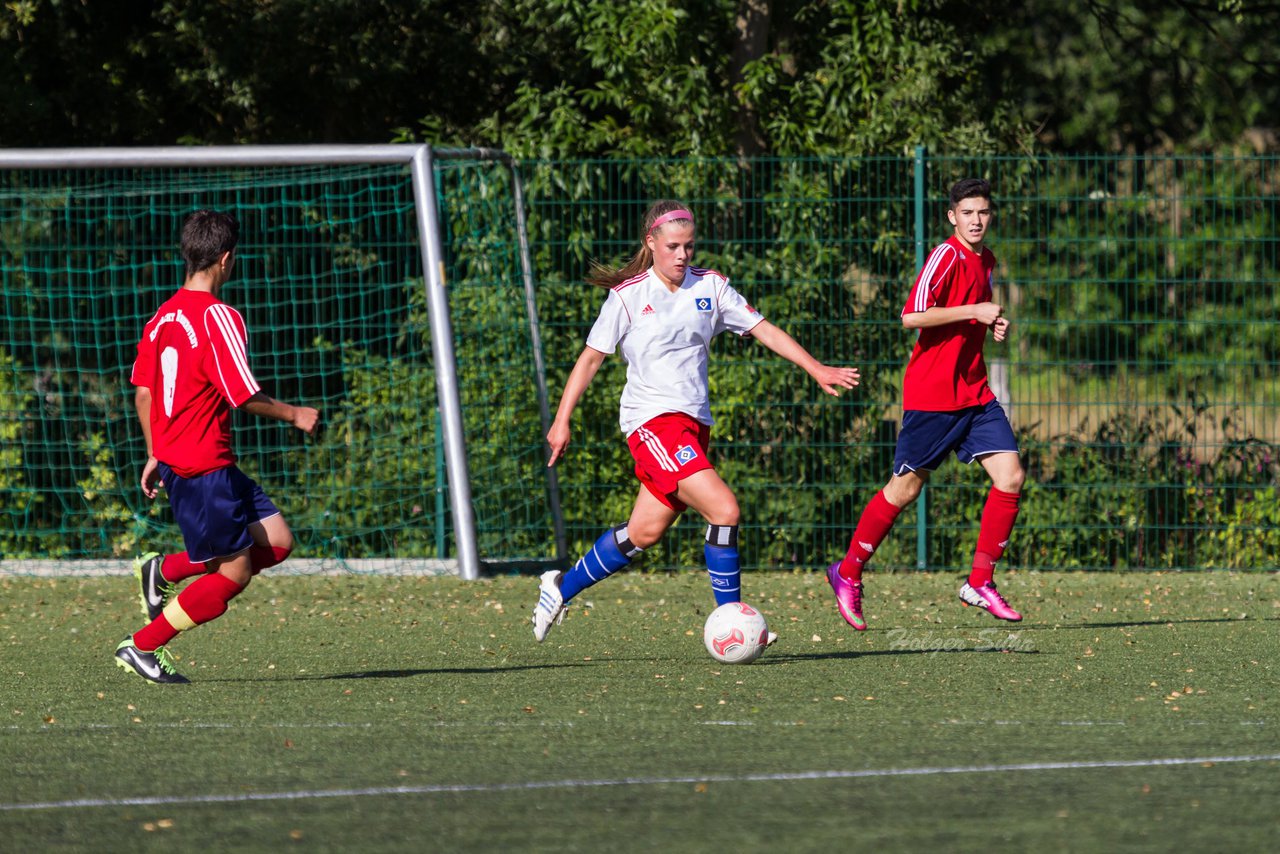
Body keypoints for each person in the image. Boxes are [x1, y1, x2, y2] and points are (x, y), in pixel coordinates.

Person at [533, 199, 860, 643]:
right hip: (652, 424)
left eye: (689, 246)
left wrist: (815, 367)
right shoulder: (628, 295)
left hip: (692, 427)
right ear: (651, 244)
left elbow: (764, 328)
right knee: (724, 509)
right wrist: (562, 420)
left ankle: (560, 586)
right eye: (673, 246)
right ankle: (734, 622)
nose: (683, 255)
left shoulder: (712, 287)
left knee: (643, 533)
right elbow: (591, 359)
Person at [114, 210, 319, 684]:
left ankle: (162, 571)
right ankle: (143, 646)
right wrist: (295, 414)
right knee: (234, 573)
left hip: (197, 463)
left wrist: (153, 451)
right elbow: (242, 394)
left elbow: (143, 392)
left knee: (279, 542)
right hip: (202, 467)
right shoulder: (218, 316)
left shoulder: (161, 317)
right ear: (227, 259)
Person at [827, 178, 1026, 630]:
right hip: (934, 397)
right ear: (952, 216)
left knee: (1011, 476)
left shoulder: (986, 259)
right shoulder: (946, 255)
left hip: (974, 393)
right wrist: (975, 311)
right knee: (904, 491)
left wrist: (989, 323)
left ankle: (979, 581)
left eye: (984, 212)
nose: (977, 221)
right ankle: (848, 572)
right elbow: (911, 315)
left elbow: (971, 313)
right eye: (968, 213)